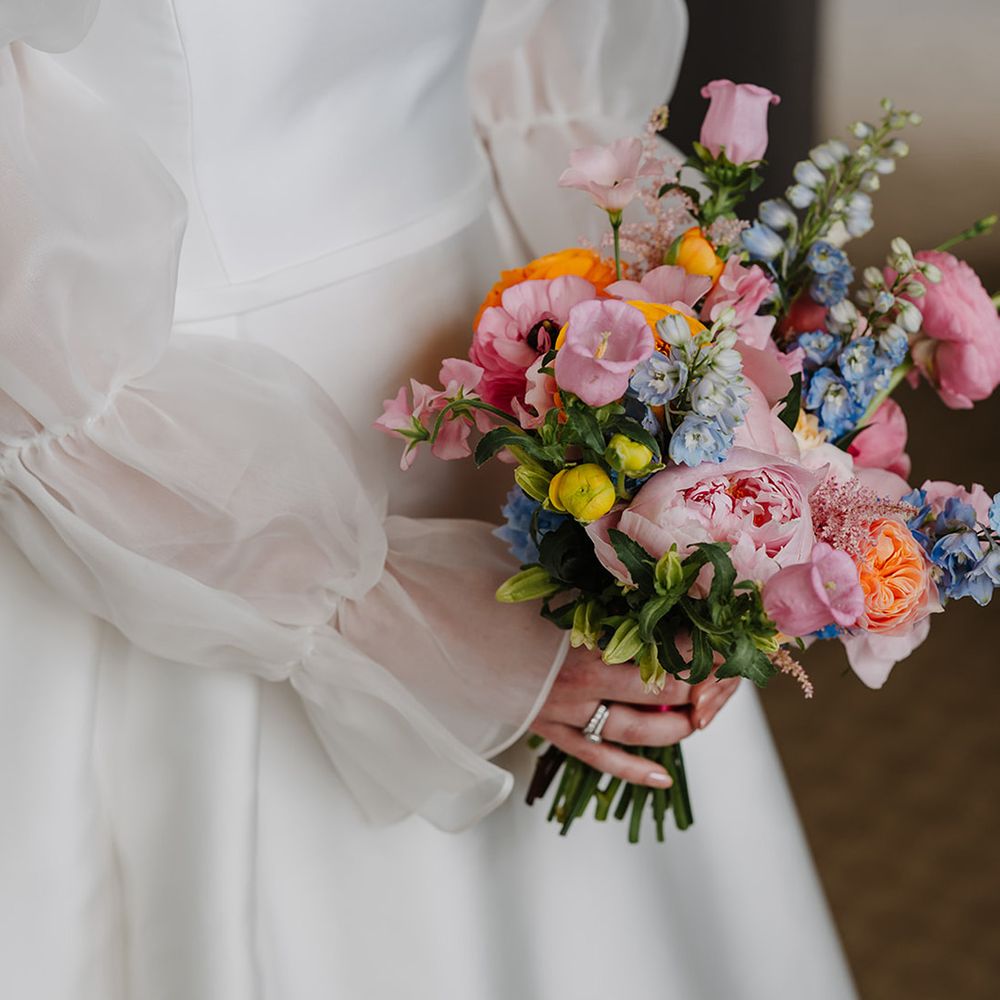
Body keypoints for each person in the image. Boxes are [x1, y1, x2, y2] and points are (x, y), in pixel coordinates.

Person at [0, 1, 857, 997]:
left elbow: (528, 78)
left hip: (498, 358)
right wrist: (404, 624)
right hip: (189, 470)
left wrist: (677, 416)